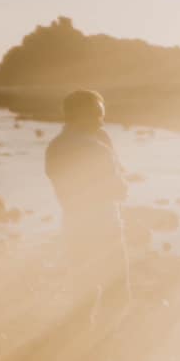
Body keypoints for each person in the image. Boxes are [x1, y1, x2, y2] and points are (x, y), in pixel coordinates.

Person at [45, 90, 130, 324]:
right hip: (103, 226)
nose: (101, 120)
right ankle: (105, 345)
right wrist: (110, 151)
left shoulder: (55, 146)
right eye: (98, 114)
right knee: (116, 290)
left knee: (83, 290)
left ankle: (78, 340)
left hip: (73, 223)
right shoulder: (97, 149)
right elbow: (120, 190)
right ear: (82, 114)